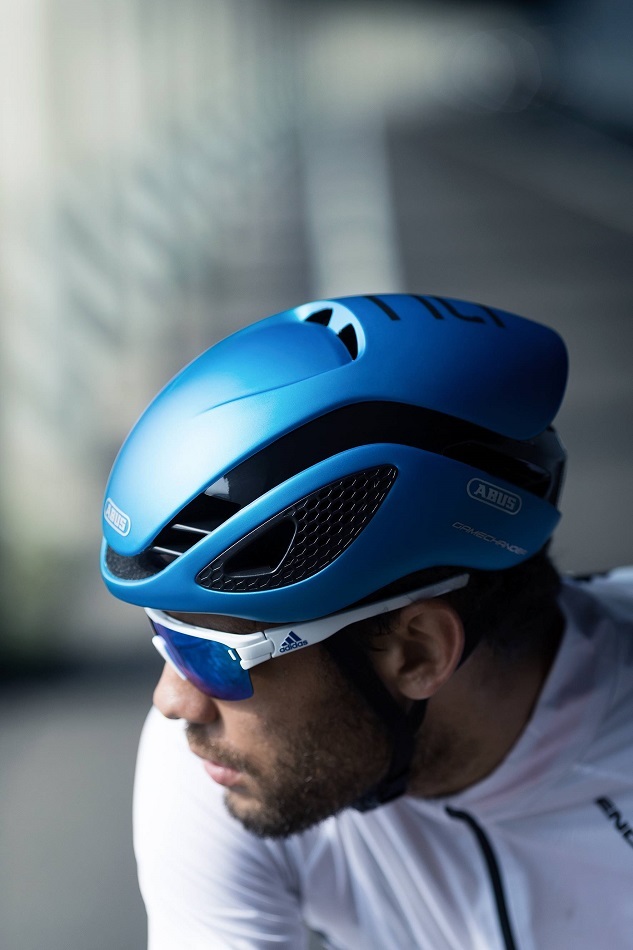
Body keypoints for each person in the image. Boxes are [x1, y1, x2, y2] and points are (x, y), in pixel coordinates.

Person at [101, 294, 633, 950]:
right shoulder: (223, 767)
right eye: (163, 636)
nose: (174, 702)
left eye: (207, 653)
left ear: (417, 652)